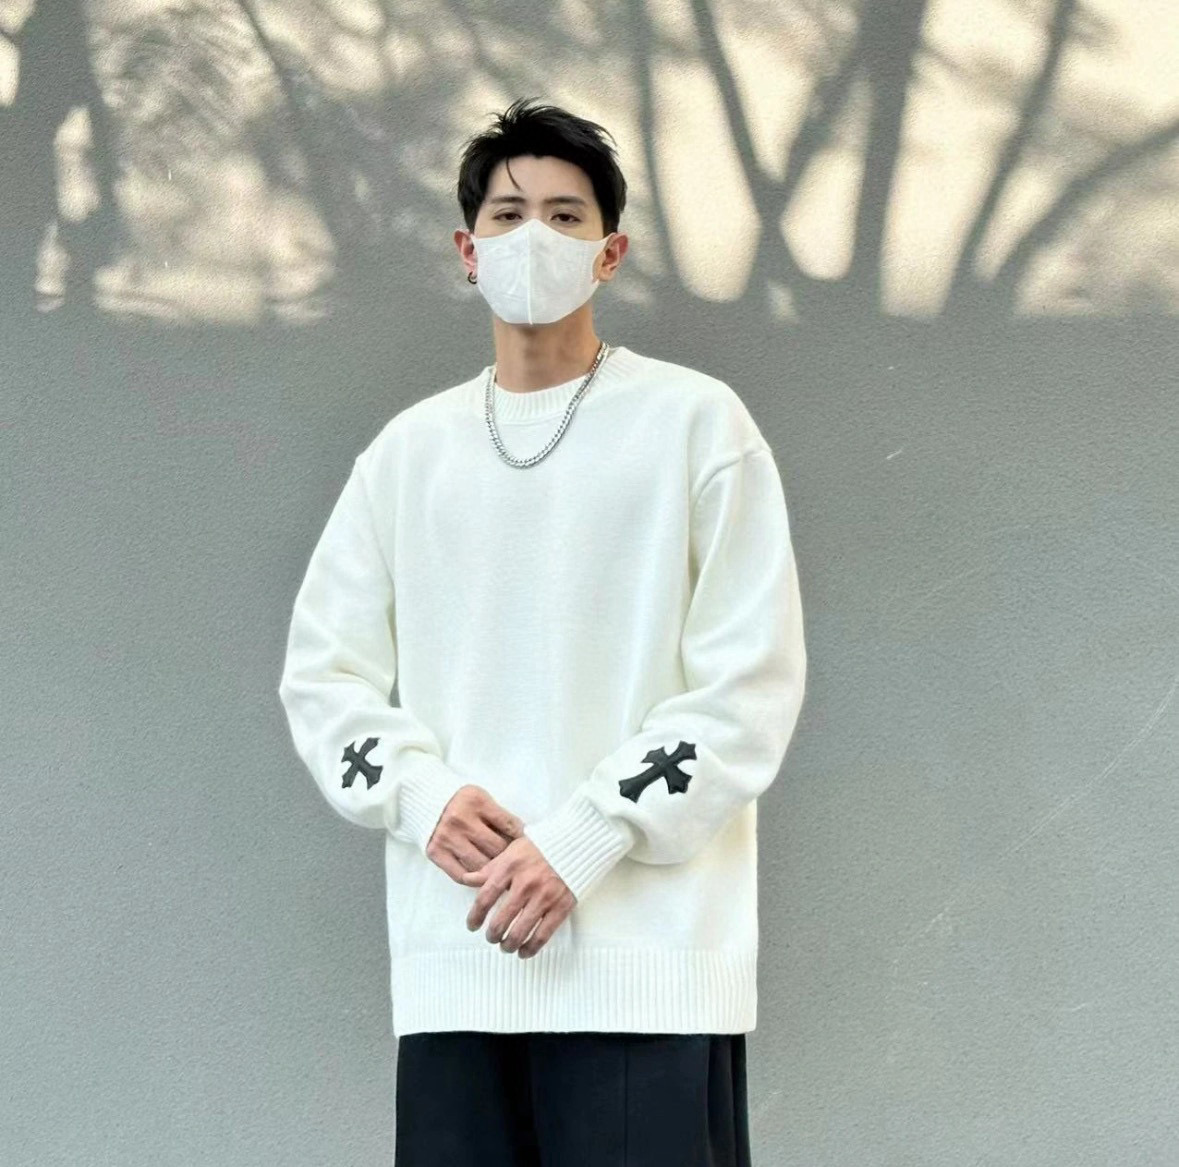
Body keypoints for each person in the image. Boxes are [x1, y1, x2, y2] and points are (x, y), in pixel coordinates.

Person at [277, 96, 807, 1166]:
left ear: (611, 253)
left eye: (566, 218)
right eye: (509, 215)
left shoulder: (697, 424)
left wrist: (585, 837)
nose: (535, 239)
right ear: (467, 250)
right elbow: (322, 678)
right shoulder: (407, 454)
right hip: (458, 962)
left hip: (649, 968)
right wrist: (420, 796)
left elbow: (750, 683)